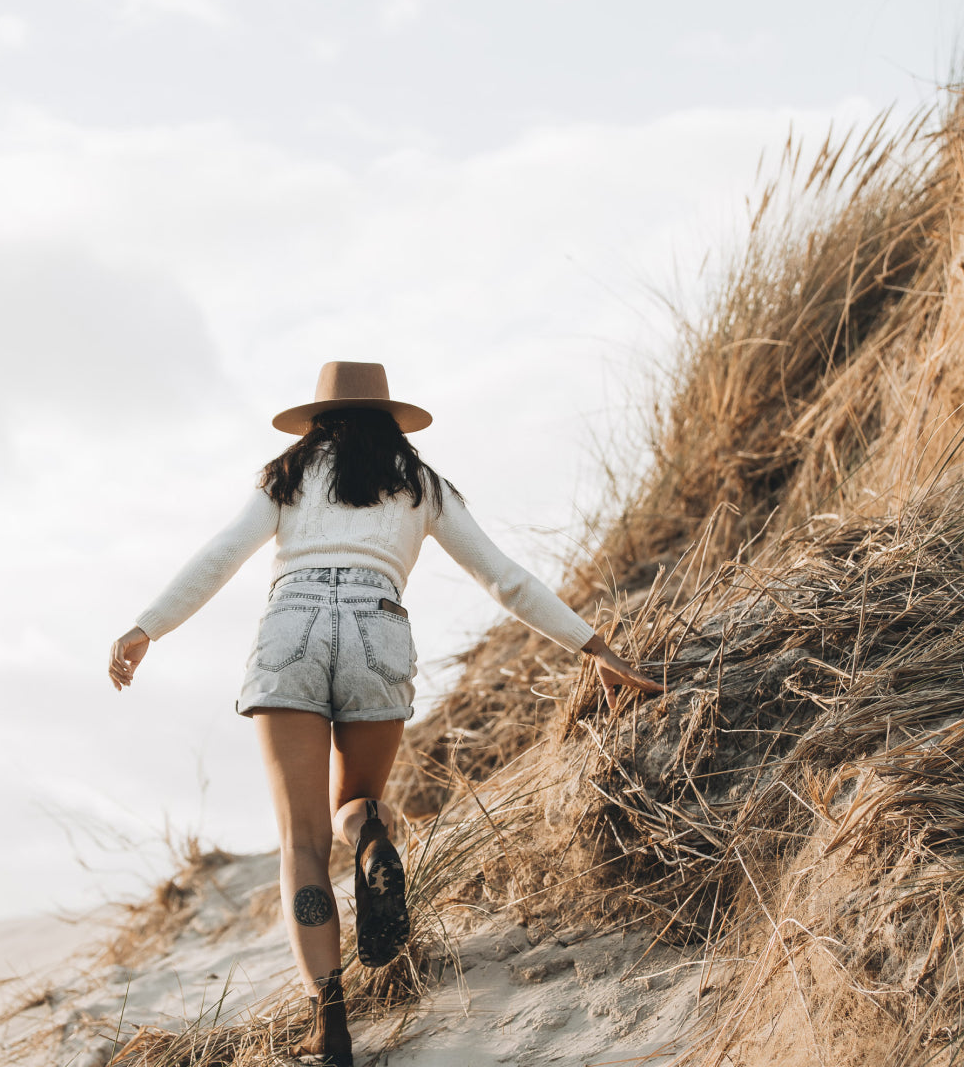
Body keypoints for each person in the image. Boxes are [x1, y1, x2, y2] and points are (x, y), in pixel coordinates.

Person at [108, 361, 663, 1067]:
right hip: (378, 629)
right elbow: (504, 578)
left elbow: (221, 554)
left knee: (301, 844)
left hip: (292, 633)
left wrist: (146, 627)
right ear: (388, 418)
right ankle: (372, 840)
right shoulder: (420, 484)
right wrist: (596, 648)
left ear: (318, 419)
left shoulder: (286, 476)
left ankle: (330, 1025)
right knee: (358, 801)